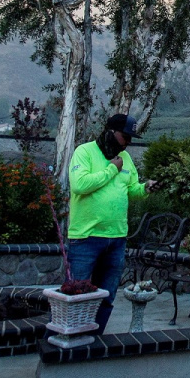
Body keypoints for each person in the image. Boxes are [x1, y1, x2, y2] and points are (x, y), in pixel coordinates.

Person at [66, 113, 155, 335]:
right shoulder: (84, 152)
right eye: (125, 136)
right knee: (78, 296)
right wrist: (111, 169)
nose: (128, 142)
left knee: (107, 295)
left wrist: (145, 188)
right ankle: (73, 344)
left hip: (116, 239)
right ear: (110, 132)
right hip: (86, 238)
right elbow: (80, 185)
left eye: (131, 138)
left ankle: (95, 339)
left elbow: (131, 189)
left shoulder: (126, 158)